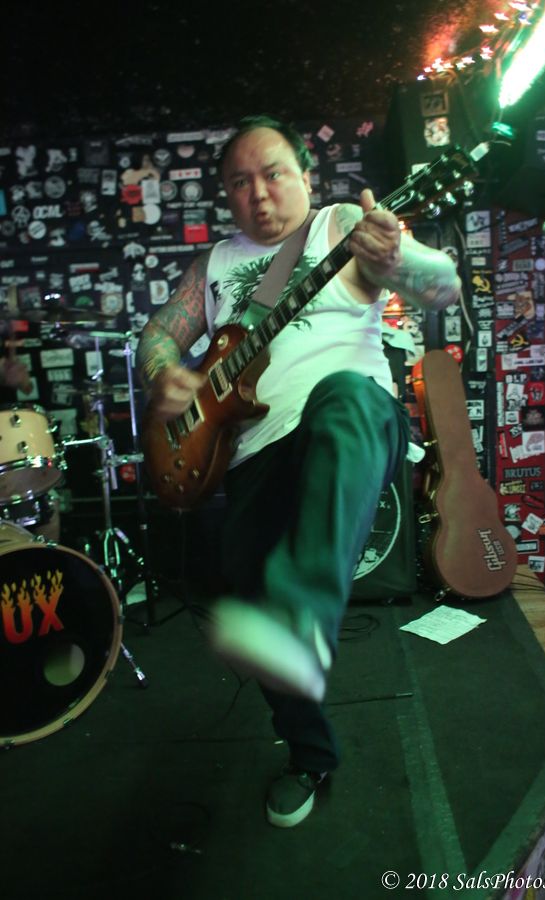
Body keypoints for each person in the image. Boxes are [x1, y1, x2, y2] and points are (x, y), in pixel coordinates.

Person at [136, 115, 461, 828]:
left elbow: (441, 287)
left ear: (307, 176)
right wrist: (164, 374)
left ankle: (307, 607)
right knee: (257, 608)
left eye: (274, 173)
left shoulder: (342, 226)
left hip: (348, 425)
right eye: (240, 182)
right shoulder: (216, 266)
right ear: (226, 194)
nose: (258, 193)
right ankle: (309, 753)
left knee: (341, 398)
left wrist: (399, 260)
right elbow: (158, 333)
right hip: (251, 461)